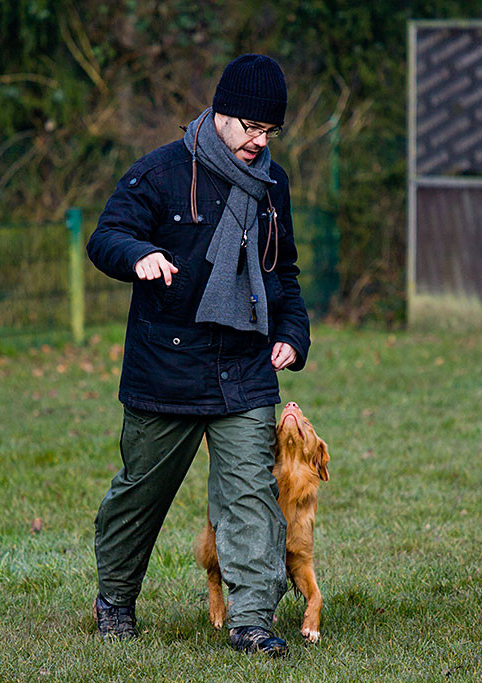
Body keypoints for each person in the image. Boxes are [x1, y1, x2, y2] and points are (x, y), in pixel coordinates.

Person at [85, 54, 310, 657]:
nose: (260, 142)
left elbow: (283, 271)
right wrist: (138, 255)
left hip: (244, 364)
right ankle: (115, 601)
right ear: (221, 115)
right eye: (251, 128)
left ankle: (252, 620)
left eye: (271, 132)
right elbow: (106, 237)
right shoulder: (159, 172)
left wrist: (293, 333)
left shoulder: (273, 186)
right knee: (141, 494)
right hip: (167, 364)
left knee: (250, 495)